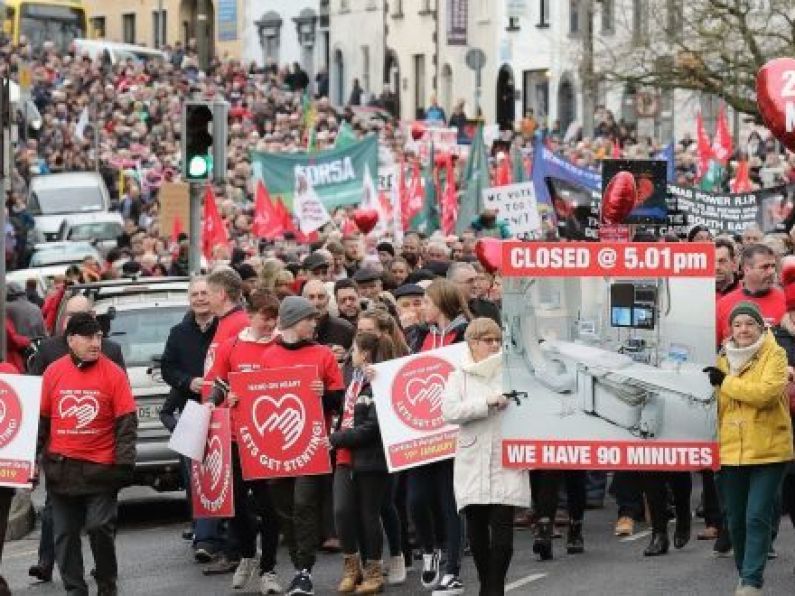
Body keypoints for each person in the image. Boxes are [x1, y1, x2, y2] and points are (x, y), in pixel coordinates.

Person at [37, 313, 138, 596]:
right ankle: (75, 589)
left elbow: (127, 424)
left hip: (101, 468)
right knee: (65, 535)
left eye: (98, 337)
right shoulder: (54, 372)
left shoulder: (113, 373)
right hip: (61, 467)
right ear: (71, 340)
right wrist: (31, 461)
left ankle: (106, 583)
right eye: (88, 337)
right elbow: (41, 422)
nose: (96, 343)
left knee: (99, 527)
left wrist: (124, 465)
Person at [705, 301, 793, 595]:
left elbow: (766, 394)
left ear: (760, 327)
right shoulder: (721, 359)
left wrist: (726, 383)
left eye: (749, 323)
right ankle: (745, 575)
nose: (743, 329)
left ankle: (752, 580)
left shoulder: (776, 354)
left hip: (769, 450)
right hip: (731, 452)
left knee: (757, 515)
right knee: (736, 520)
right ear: (731, 329)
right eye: (737, 324)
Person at [263, 296, 344, 596]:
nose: (314, 324)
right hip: (275, 448)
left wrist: (323, 393)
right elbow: (257, 398)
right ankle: (299, 562)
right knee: (283, 507)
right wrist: (236, 400)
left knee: (303, 504)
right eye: (310, 319)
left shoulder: (322, 355)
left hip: (312, 445)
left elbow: (339, 400)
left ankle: (303, 571)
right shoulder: (268, 356)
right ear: (294, 320)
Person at [441, 317, 528, 596]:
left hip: (506, 457)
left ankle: (494, 589)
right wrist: (486, 402)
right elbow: (450, 412)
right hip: (472, 458)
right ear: (472, 343)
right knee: (477, 532)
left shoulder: (513, 371)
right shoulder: (458, 376)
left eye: (496, 340)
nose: (493, 345)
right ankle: (486, 585)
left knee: (503, 531)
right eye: (487, 340)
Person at [205, 289, 284, 594]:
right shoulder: (232, 345)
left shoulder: (280, 344)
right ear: (250, 315)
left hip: (269, 439)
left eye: (274, 318)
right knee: (236, 505)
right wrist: (218, 400)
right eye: (265, 317)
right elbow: (221, 382)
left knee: (270, 507)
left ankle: (269, 569)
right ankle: (249, 555)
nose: (270, 324)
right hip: (237, 438)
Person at [404, 279, 470, 594]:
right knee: (416, 500)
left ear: (441, 304)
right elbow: (402, 373)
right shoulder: (420, 336)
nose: (421, 308)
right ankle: (431, 550)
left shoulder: (465, 335)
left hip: (453, 435)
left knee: (450, 504)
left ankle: (452, 569)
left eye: (426, 302)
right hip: (421, 434)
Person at [330, 332, 398, 594]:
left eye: (354, 349)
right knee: (342, 511)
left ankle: (373, 571)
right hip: (345, 455)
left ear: (366, 353)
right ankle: (351, 565)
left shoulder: (380, 381)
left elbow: (372, 428)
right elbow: (345, 413)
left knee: (369, 514)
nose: (350, 354)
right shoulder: (355, 380)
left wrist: (336, 438)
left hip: (371, 458)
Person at [159, 277, 218, 547]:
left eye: (205, 293)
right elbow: (167, 369)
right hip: (192, 410)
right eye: (195, 294)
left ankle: (222, 533)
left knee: (223, 473)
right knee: (195, 476)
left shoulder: (224, 328)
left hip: (224, 409)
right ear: (189, 299)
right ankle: (202, 532)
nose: (200, 298)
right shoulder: (177, 333)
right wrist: (187, 382)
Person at [715, 244, 786, 345]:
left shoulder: (787, 302)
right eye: (765, 267)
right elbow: (714, 348)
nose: (771, 272)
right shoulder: (723, 304)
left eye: (773, 266)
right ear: (747, 269)